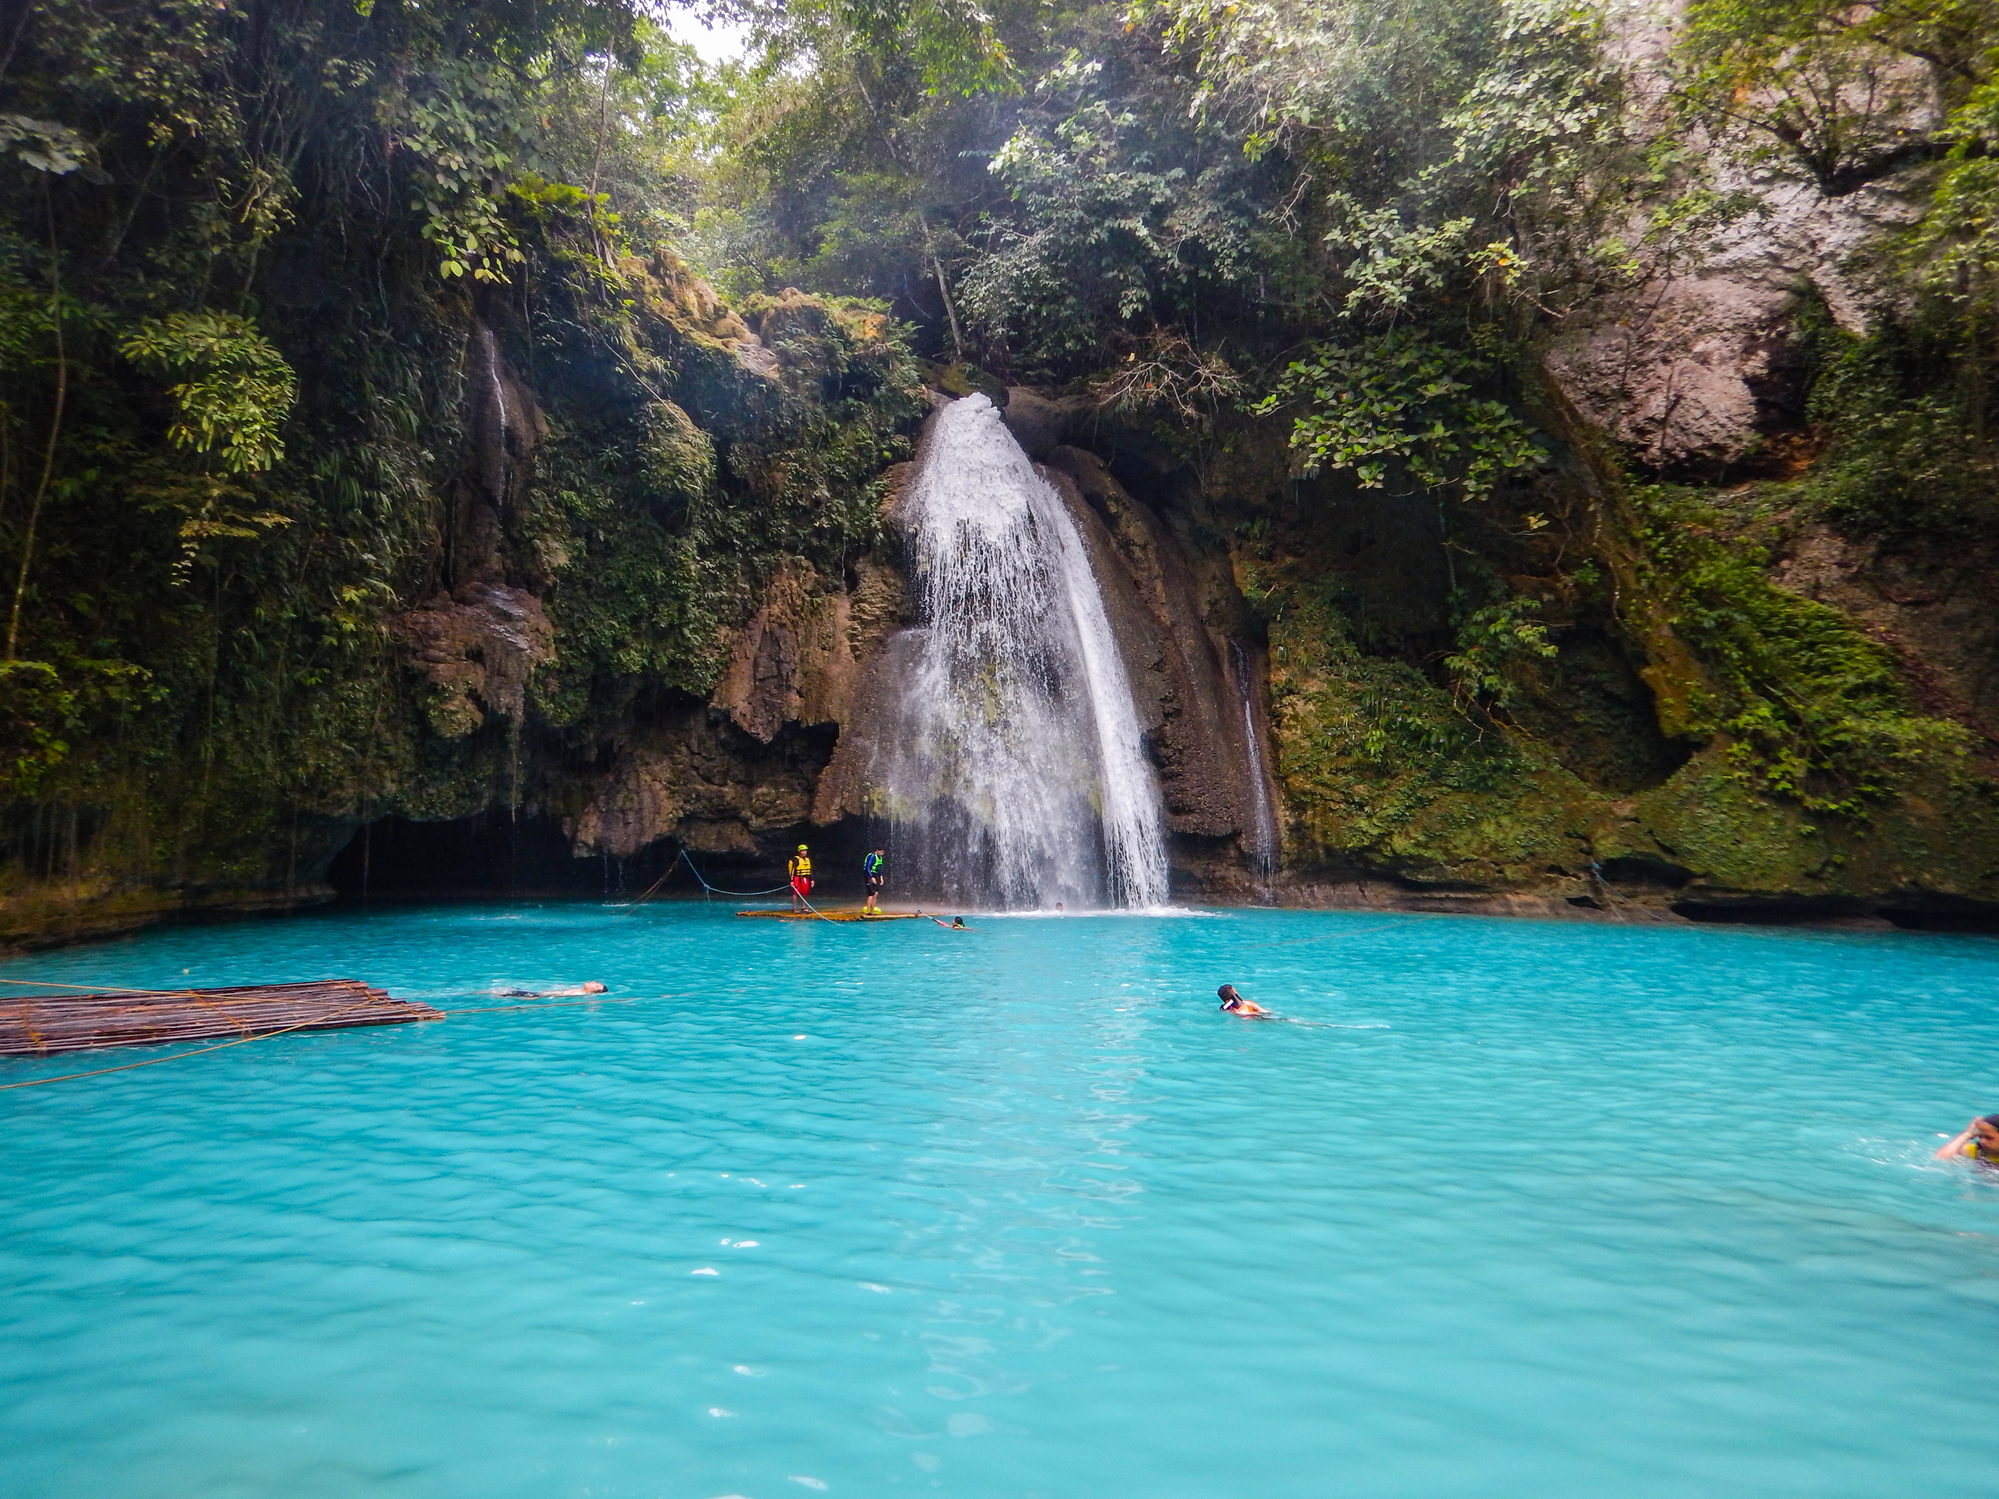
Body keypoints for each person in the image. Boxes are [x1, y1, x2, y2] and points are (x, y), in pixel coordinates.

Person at [1935, 1113, 1999, 1162]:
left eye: (1989, 1138)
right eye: (1980, 1137)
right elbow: (1940, 1159)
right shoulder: (1976, 1150)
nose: (1982, 1141)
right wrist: (1967, 1134)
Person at [788, 844, 813, 911]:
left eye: (805, 851)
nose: (804, 852)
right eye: (802, 851)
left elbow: (810, 870)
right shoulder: (796, 859)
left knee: (805, 892)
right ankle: (795, 908)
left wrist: (812, 880)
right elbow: (793, 870)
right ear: (799, 852)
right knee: (795, 892)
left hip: (806, 878)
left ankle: (803, 907)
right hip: (797, 878)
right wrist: (791, 880)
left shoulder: (807, 859)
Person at [863, 847, 887, 915]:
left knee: (875, 894)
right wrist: (871, 877)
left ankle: (872, 911)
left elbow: (878, 869)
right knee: (871, 894)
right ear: (877, 851)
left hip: (875, 874)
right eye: (881, 852)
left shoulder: (880, 858)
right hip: (868, 874)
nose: (882, 853)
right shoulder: (872, 856)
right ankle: (867, 911)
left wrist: (881, 877)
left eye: (883, 852)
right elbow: (868, 867)